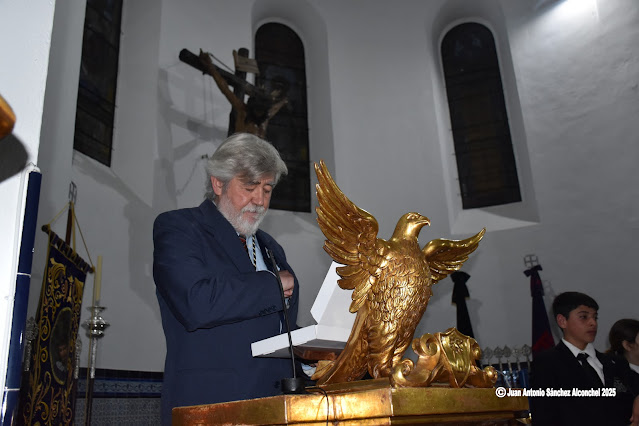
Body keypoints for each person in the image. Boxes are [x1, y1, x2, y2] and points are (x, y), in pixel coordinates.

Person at [153, 133, 299, 425]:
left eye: (267, 189)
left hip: (276, 406)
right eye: (250, 187)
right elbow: (196, 302)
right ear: (218, 183)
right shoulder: (180, 228)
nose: (260, 200)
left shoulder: (271, 247)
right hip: (212, 403)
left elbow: (275, 326)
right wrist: (272, 285)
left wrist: (317, 351)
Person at [529, 292, 639, 425]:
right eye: (584, 317)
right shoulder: (547, 363)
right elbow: (543, 415)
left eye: (595, 317)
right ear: (562, 321)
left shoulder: (615, 362)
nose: (593, 323)